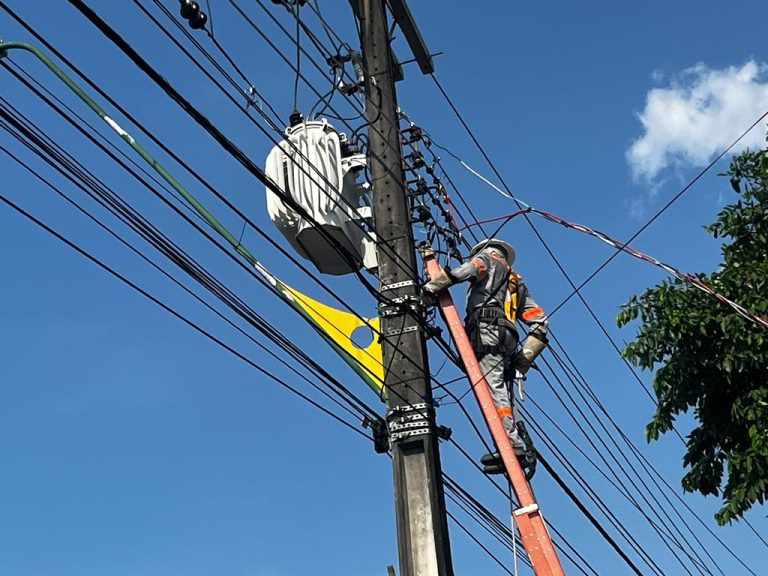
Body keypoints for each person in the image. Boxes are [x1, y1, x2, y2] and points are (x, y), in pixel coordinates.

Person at [423, 238, 548, 477]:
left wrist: (431, 287)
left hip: (486, 328)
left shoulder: (487, 260)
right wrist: (523, 361)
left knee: (493, 387)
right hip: (508, 335)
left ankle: (509, 443)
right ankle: (511, 440)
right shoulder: (516, 280)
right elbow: (540, 323)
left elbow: (469, 270)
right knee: (502, 388)